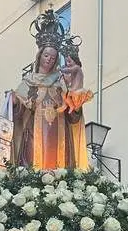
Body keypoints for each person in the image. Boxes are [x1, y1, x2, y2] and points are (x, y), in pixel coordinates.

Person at [10, 9, 90, 171]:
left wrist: (75, 97)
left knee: (60, 165)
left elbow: (73, 115)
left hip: (59, 137)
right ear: (40, 56)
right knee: (33, 166)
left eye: (53, 58)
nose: (49, 60)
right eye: (46, 56)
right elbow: (17, 113)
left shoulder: (60, 82)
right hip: (34, 136)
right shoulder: (29, 81)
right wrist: (15, 102)